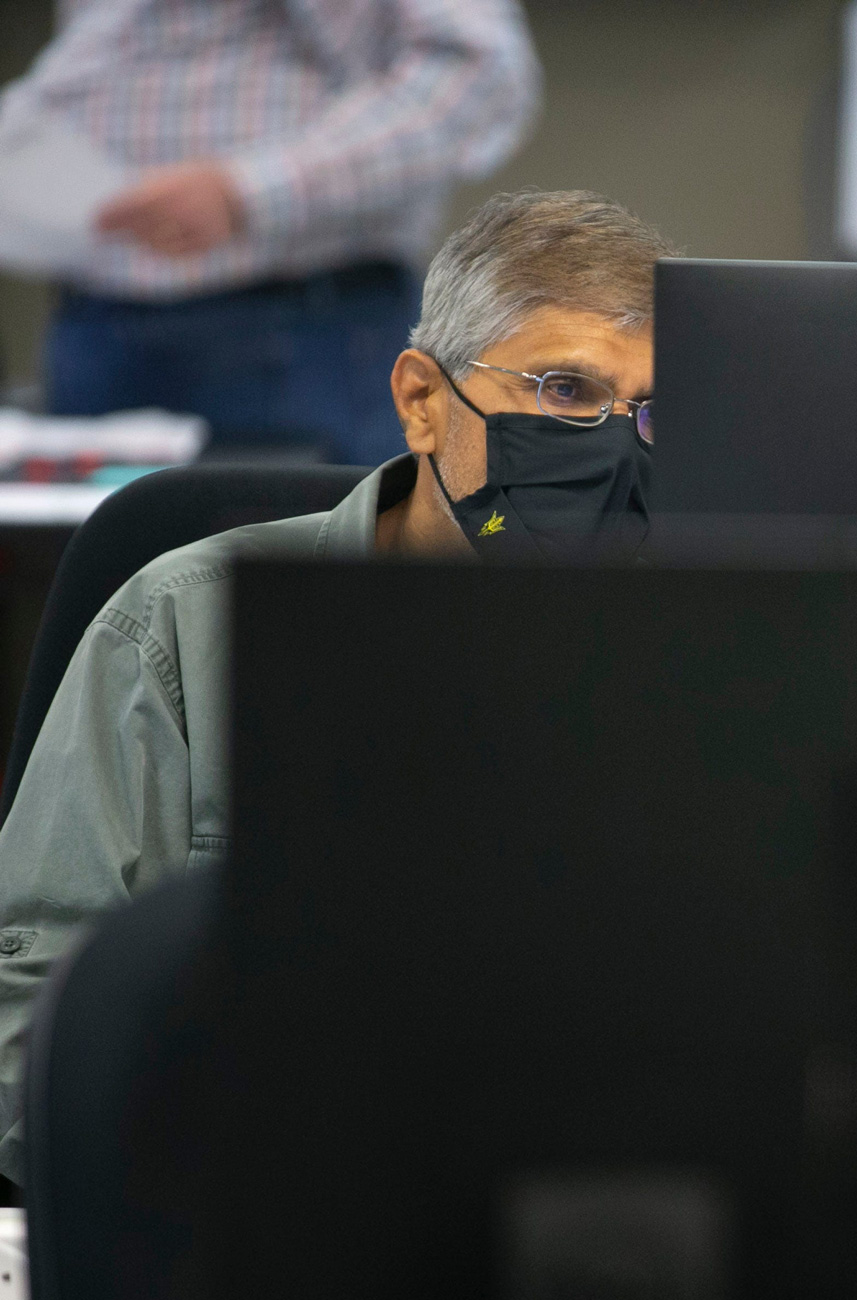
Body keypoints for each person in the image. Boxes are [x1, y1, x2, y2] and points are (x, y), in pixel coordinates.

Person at [0, 189, 670, 1183]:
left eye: (649, 412)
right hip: (237, 1211)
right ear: (421, 402)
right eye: (564, 390)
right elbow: (27, 1027)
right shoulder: (185, 619)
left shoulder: (708, 646)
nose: (612, 444)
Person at [0, 0, 541, 465]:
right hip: (92, 324)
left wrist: (251, 192)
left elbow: (480, 78)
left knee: (313, 583)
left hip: (308, 330)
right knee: (92, 582)